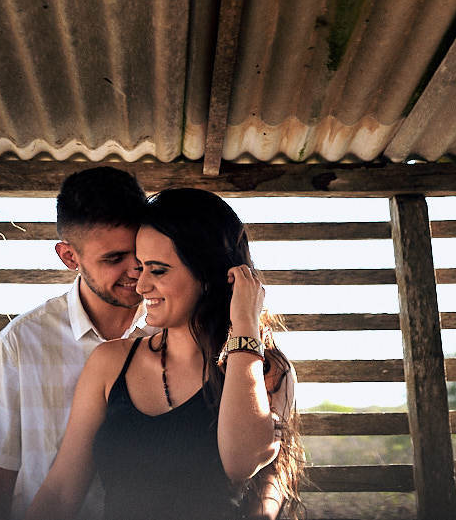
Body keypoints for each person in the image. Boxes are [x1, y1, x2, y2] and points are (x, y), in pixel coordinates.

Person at [26, 188, 303, 520]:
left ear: (209, 273)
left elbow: (242, 461)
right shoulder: (110, 363)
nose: (141, 286)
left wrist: (244, 325)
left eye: (157, 270)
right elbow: (61, 491)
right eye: (140, 268)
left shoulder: (267, 370)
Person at [0, 166, 150, 520]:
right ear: (69, 257)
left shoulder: (170, 331)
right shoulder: (22, 342)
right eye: (114, 258)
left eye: (139, 252)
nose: (136, 270)